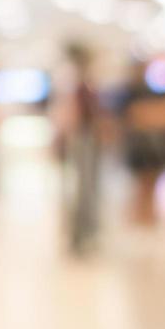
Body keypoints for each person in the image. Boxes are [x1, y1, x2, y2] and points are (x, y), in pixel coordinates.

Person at [119, 58, 165, 225]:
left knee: (151, 181)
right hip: (141, 145)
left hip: (152, 145)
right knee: (142, 183)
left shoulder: (159, 93)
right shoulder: (132, 92)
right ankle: (141, 217)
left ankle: (148, 217)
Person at [54, 43, 104, 255]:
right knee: (81, 189)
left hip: (86, 139)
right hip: (80, 139)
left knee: (86, 188)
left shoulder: (83, 83)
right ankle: (80, 233)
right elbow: (68, 115)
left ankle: (85, 232)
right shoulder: (72, 82)